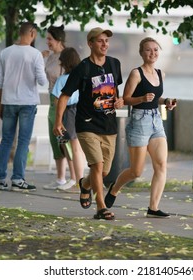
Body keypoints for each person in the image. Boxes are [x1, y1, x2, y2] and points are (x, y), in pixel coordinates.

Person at [54, 27, 124, 220]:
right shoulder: (82, 68)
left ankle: (85, 184)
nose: (104, 44)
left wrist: (120, 101)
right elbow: (64, 96)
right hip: (87, 124)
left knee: (105, 171)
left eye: (106, 41)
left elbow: (116, 92)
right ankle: (101, 207)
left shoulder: (114, 64)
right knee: (97, 165)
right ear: (90, 44)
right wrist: (58, 122)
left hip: (109, 125)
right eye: (100, 41)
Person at [104, 37, 177, 218]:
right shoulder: (136, 73)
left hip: (156, 121)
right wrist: (142, 99)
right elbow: (126, 98)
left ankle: (153, 207)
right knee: (136, 171)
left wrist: (166, 101)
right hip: (139, 121)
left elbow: (155, 98)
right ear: (141, 53)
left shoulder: (161, 74)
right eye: (148, 50)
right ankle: (114, 188)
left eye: (155, 50)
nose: (152, 53)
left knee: (161, 165)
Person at [0, 22, 47, 192]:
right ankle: (17, 179)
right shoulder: (35, 54)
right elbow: (42, 81)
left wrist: (1, 103)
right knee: (23, 141)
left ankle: (0, 179)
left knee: (6, 140)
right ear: (31, 33)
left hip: (8, 102)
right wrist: (40, 63)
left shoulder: (5, 53)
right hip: (27, 103)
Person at [42, 25, 76, 191]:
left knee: (65, 138)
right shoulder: (49, 56)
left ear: (59, 39)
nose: (47, 42)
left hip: (63, 100)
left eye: (50, 39)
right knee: (54, 139)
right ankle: (60, 177)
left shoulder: (67, 56)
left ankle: (73, 177)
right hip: (51, 98)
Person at [52, 47, 86, 190]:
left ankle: (77, 180)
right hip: (82, 111)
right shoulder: (83, 76)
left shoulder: (62, 80)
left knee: (72, 147)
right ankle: (80, 179)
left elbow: (56, 101)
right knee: (79, 148)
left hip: (69, 113)